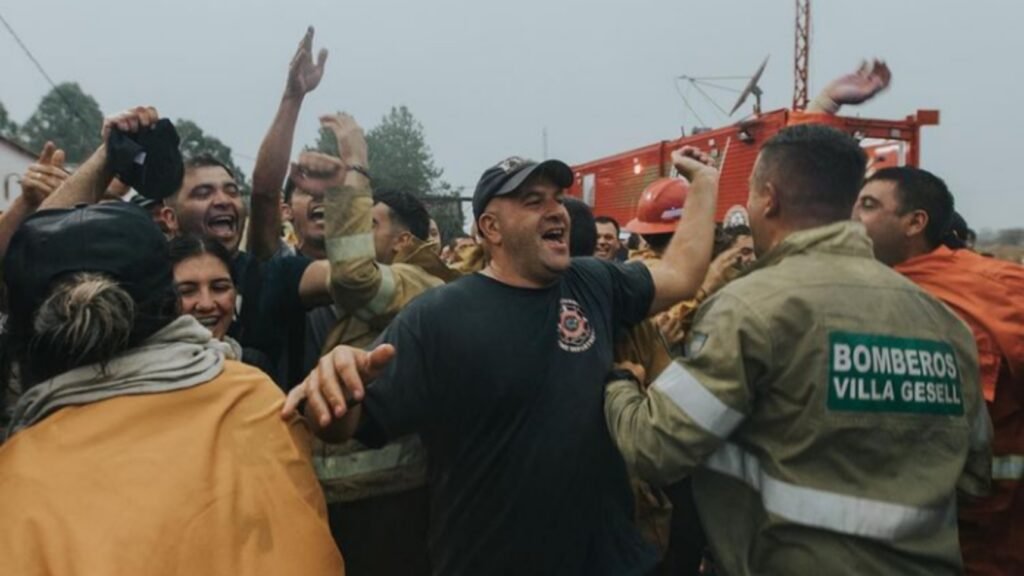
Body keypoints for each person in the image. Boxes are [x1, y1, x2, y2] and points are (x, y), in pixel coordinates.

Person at [285, 146, 719, 575]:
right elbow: (353, 422)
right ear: (491, 228)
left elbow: (680, 274)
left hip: (612, 563)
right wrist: (337, 392)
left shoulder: (593, 282)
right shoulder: (438, 315)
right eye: (533, 201)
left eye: (557, 199)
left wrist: (703, 184)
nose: (557, 211)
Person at [604, 124, 991, 575]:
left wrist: (620, 385)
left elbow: (656, 446)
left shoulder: (750, 308)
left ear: (769, 198)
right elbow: (974, 476)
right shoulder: (943, 321)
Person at [0, 201, 342, 575]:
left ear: (20, 336)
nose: (208, 302)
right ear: (170, 304)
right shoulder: (254, 398)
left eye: (220, 286)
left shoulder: (14, 479)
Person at [293, 113, 458, 576]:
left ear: (404, 241)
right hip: (354, 499)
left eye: (372, 225)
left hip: (393, 501)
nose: (357, 236)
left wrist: (355, 167)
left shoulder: (421, 283)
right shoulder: (393, 289)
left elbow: (351, 276)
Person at [853, 166, 1024, 575]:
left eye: (869, 205)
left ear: (916, 222)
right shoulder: (859, 288)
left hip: (982, 532)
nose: (853, 217)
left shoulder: (985, 291)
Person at [169, 234, 276, 375]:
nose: (206, 304)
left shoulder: (254, 367)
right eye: (187, 291)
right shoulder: (144, 376)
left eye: (219, 288)